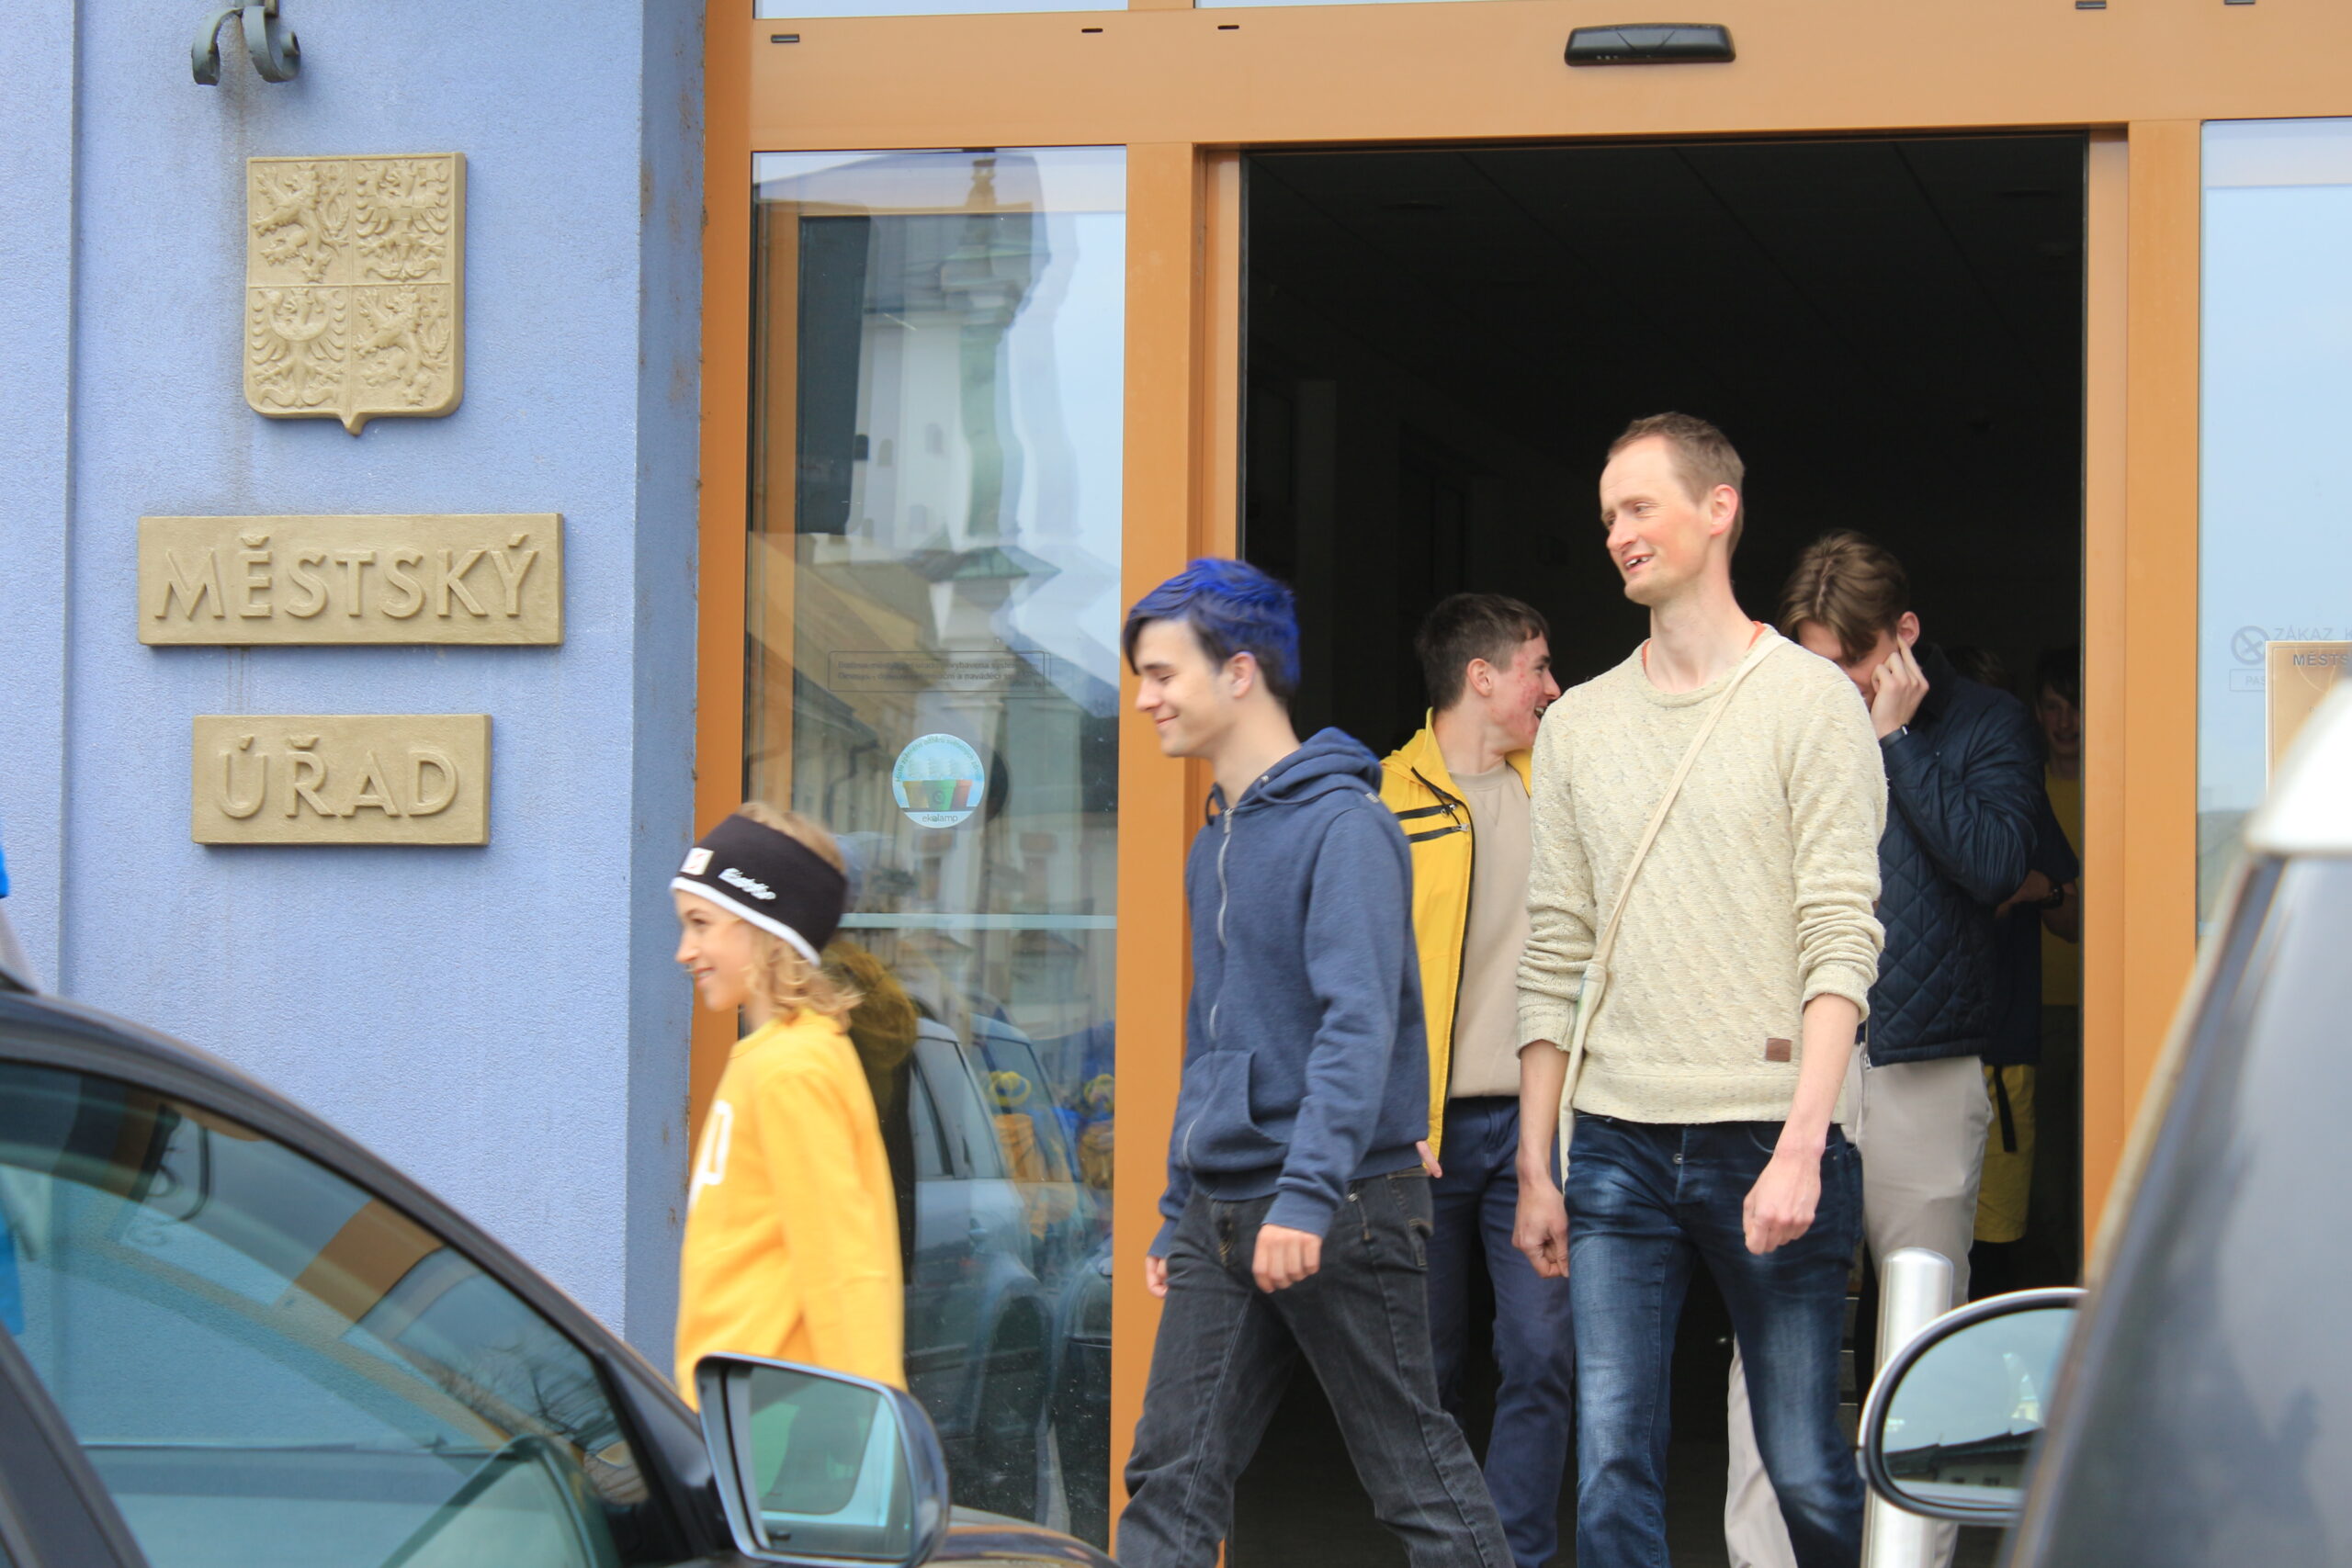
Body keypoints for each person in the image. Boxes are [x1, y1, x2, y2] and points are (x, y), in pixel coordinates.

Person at [1515, 413, 1884, 1568]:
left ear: (1719, 508)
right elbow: (1554, 951)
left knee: (1803, 1463)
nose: (1618, 533)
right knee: (1610, 1462)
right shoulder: (1576, 726)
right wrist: (1536, 1162)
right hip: (1614, 1139)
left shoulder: (1811, 702)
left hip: (1768, 1133)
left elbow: (1840, 938)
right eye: (1607, 516)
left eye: (1640, 506)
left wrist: (1803, 1144)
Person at [1116, 558, 1511, 1568]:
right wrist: (1178, 1201)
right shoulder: (1215, 842)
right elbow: (1212, 1034)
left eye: (1162, 673)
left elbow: (1358, 1024)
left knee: (1415, 1479)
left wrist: (1305, 1194)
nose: (1145, 698)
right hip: (1221, 1208)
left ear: (1239, 671)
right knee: (1168, 1478)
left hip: (1342, 1202)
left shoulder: (1347, 826)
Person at [1726, 531, 2041, 1568]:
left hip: (1926, 1065)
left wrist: (1895, 742)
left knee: (1922, 1344)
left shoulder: (1984, 721)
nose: (1834, 684)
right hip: (1790, 1066)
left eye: (1851, 663)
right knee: (1771, 1341)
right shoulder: (1779, 713)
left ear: (1902, 637)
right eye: (1813, 662)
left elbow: (1998, 865)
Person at [1379, 592, 1571, 1568]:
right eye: (1537, 668)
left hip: (1537, 1133)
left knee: (1543, 1353)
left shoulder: (1562, 788)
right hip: (1421, 1139)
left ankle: (1516, 1556)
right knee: (1427, 1370)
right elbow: (1355, 980)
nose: (1554, 688)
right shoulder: (1380, 800)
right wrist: (1382, 1115)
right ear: (1481, 677)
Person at [672, 804, 904, 1399]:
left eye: (701, 923)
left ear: (763, 927)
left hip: (774, 1413)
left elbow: (842, 1265)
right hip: (744, 1405)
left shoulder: (791, 1068)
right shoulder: (777, 1056)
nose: (684, 950)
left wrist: (875, 1421)